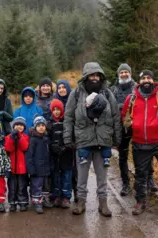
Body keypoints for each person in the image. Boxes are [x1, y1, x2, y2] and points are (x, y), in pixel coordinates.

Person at [121, 70, 158, 218]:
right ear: (139, 81)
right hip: (139, 144)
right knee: (141, 175)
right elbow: (124, 116)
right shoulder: (131, 98)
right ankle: (140, 202)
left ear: (153, 80)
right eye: (143, 78)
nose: (146, 80)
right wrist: (130, 125)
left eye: (149, 78)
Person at [63, 62, 121, 216]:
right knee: (81, 177)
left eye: (97, 75)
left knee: (102, 177)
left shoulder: (108, 94)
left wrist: (117, 138)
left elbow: (116, 116)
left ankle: (103, 204)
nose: (95, 78)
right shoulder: (75, 95)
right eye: (91, 75)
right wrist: (68, 138)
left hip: (103, 142)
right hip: (83, 142)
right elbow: (68, 117)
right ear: (85, 77)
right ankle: (81, 203)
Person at [110, 63, 158, 196]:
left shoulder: (138, 88)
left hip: (138, 127)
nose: (124, 74)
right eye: (121, 72)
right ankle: (125, 183)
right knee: (122, 157)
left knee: (144, 154)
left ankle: (149, 180)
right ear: (118, 74)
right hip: (120, 128)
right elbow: (111, 109)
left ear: (130, 73)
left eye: (126, 72)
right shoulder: (113, 90)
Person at [54, 79, 78, 202]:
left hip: (74, 137)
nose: (62, 90)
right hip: (60, 139)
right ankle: (59, 193)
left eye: (64, 87)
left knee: (75, 168)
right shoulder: (55, 102)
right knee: (63, 168)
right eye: (59, 88)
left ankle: (76, 191)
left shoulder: (74, 99)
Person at [47, 99, 73, 208]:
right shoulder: (49, 124)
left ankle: (66, 197)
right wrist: (52, 146)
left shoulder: (67, 122)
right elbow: (47, 138)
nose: (56, 112)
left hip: (66, 153)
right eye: (54, 110)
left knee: (66, 175)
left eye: (58, 109)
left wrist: (66, 146)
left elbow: (71, 135)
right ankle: (56, 195)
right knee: (56, 175)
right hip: (54, 154)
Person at [77, 92, 112, 167]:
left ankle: (106, 158)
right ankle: (84, 156)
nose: (86, 105)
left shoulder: (104, 107)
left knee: (105, 141)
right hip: (98, 129)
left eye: (88, 104)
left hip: (102, 129)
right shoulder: (102, 105)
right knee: (88, 140)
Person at [26, 116, 52, 214]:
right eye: (39, 125)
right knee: (37, 186)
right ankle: (37, 203)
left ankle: (45, 200)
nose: (41, 127)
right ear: (35, 127)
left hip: (45, 167)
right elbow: (29, 156)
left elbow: (48, 154)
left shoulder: (46, 138)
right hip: (36, 169)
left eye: (43, 125)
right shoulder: (33, 139)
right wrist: (31, 169)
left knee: (46, 186)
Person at [5, 117, 30, 212]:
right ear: (13, 126)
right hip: (11, 167)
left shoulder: (26, 137)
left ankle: (23, 202)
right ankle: (12, 203)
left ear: (24, 127)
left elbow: (24, 147)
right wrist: (12, 138)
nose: (19, 127)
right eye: (17, 125)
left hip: (22, 168)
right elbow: (8, 148)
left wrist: (19, 136)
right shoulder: (8, 137)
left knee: (22, 186)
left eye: (21, 125)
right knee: (12, 186)